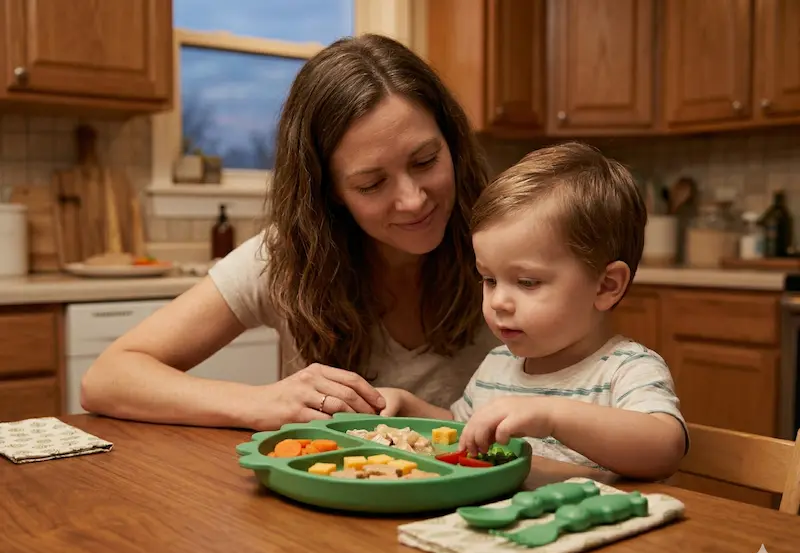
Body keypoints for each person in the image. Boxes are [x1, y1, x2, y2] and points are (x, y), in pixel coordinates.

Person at [80, 33, 501, 431]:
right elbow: (107, 378)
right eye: (371, 184)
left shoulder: (509, 234)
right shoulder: (287, 256)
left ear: (452, 143)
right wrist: (262, 403)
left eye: (425, 160)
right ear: (331, 192)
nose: (412, 200)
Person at [386, 142, 689, 480]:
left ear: (606, 286)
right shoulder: (497, 365)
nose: (498, 301)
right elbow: (465, 430)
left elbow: (664, 448)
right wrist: (406, 405)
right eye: (489, 279)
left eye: (527, 282)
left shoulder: (627, 370)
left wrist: (552, 416)